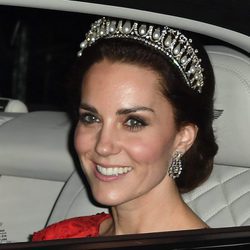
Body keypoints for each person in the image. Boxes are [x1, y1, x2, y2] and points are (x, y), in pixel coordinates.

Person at [32, 16, 218, 241]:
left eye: (133, 122)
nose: (103, 146)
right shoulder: (61, 238)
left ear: (182, 138)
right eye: (91, 118)